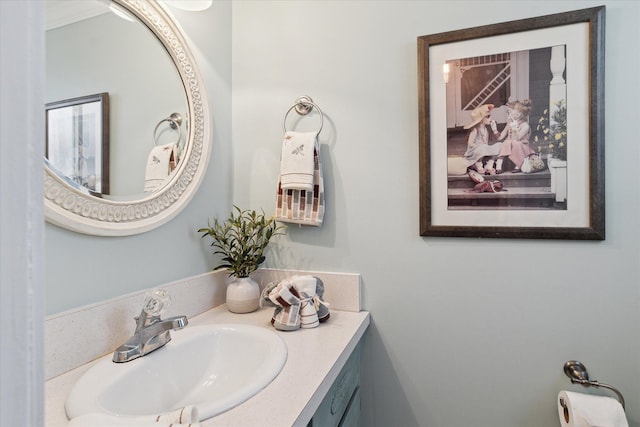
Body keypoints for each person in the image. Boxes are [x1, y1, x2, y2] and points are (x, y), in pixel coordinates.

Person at [493, 99, 534, 173]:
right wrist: (495, 130)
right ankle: (498, 165)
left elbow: (517, 138)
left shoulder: (525, 126)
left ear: (519, 114)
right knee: (506, 142)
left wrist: (515, 128)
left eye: (510, 112)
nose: (508, 114)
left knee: (514, 143)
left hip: (522, 145)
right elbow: (500, 137)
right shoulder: (509, 123)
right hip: (510, 144)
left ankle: (519, 164)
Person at [463, 104, 502, 175]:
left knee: (499, 145)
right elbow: (470, 143)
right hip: (475, 151)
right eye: (487, 117)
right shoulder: (475, 130)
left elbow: (488, 142)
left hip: (483, 149)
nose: (490, 118)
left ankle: (489, 164)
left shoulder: (485, 129)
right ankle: (478, 164)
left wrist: (494, 129)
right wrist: (480, 146)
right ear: (481, 120)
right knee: (482, 147)